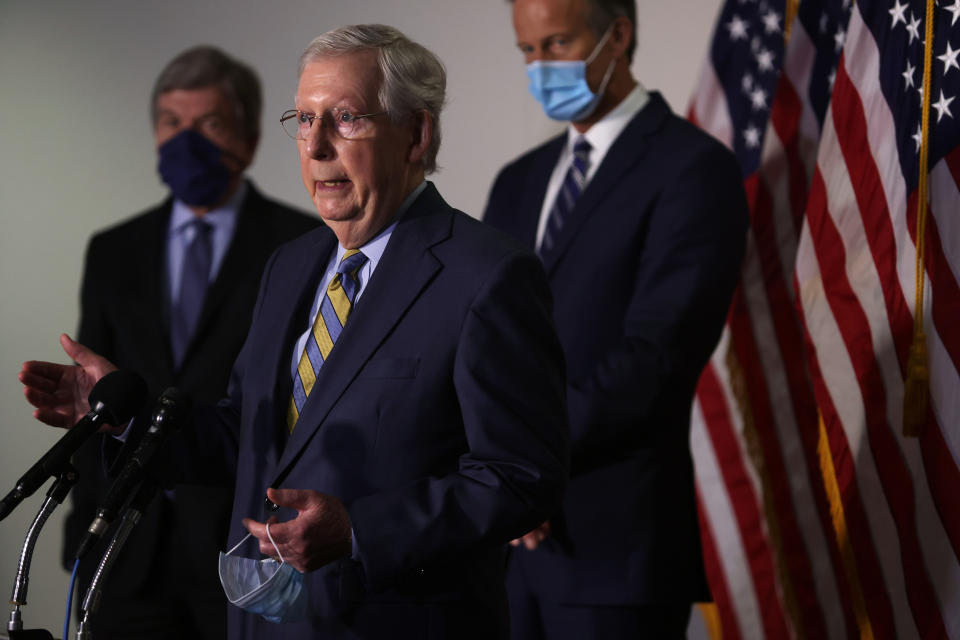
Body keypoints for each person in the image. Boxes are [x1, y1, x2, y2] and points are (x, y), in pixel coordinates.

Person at [22, 25, 569, 640]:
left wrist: (361, 530)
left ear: (416, 134)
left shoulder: (486, 273)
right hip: (264, 621)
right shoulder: (290, 264)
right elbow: (245, 434)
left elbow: (519, 478)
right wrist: (124, 413)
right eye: (304, 120)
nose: (316, 146)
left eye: (346, 119)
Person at [482, 0, 749, 638]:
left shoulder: (693, 168)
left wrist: (523, 459)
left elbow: (656, 357)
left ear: (618, 36)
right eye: (528, 52)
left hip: (613, 554)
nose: (540, 66)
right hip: (500, 552)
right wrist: (493, 471)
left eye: (557, 44)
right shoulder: (517, 182)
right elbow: (477, 342)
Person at [62, 46, 320, 638]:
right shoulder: (114, 250)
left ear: (250, 138)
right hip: (124, 550)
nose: (187, 141)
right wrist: (82, 528)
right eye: (172, 124)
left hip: (244, 549)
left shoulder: (301, 246)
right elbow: (94, 394)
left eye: (209, 125)